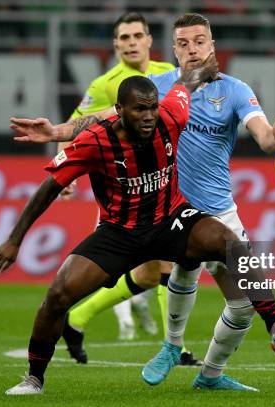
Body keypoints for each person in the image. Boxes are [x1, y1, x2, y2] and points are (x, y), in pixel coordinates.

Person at [11, 13, 275, 392]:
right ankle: (172, 346)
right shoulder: (159, 87)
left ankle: (210, 373)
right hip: (168, 210)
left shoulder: (235, 90)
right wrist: (58, 131)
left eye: (200, 41)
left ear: (212, 44)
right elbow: (103, 116)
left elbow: (262, 134)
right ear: (173, 49)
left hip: (216, 210)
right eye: (183, 43)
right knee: (176, 274)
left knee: (241, 303)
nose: (192, 49)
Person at [53, 11, 201, 364]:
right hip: (129, 191)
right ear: (115, 44)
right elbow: (72, 127)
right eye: (124, 37)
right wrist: (66, 172)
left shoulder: (170, 73)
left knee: (151, 274)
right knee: (170, 263)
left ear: (149, 40)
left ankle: (77, 318)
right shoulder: (106, 84)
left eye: (138, 36)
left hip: (167, 180)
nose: (132, 42)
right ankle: (175, 347)